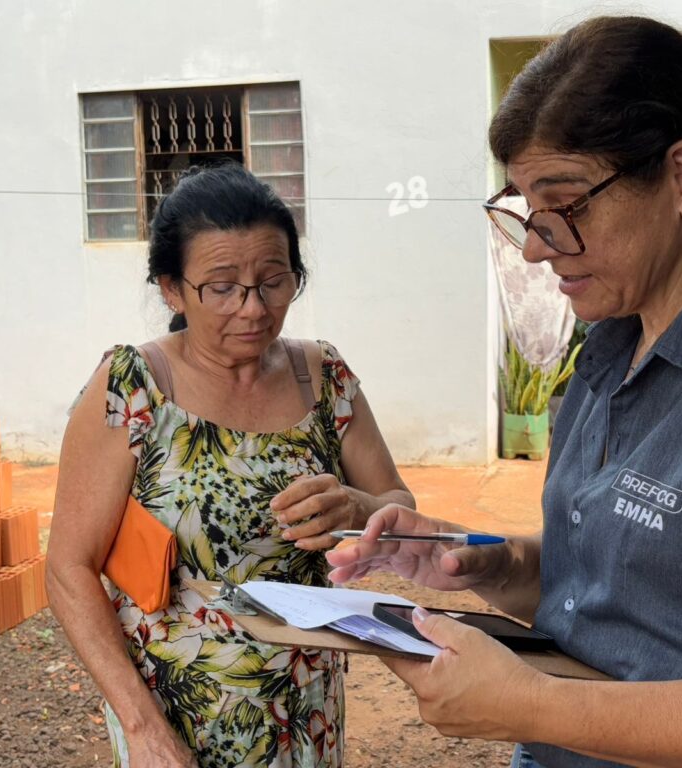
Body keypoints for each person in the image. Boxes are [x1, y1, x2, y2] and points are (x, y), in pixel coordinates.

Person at [327, 15, 682, 768]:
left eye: (564, 206)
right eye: (525, 211)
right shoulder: (616, 343)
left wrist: (532, 703)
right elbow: (631, 599)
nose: (536, 246)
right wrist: (492, 565)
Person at [46, 163, 414, 768]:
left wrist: (361, 508)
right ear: (171, 289)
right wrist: (143, 731)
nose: (254, 308)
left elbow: (400, 506)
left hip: (305, 698)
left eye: (274, 281)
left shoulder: (324, 378)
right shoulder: (133, 387)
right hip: (174, 707)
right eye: (222, 286)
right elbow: (68, 567)